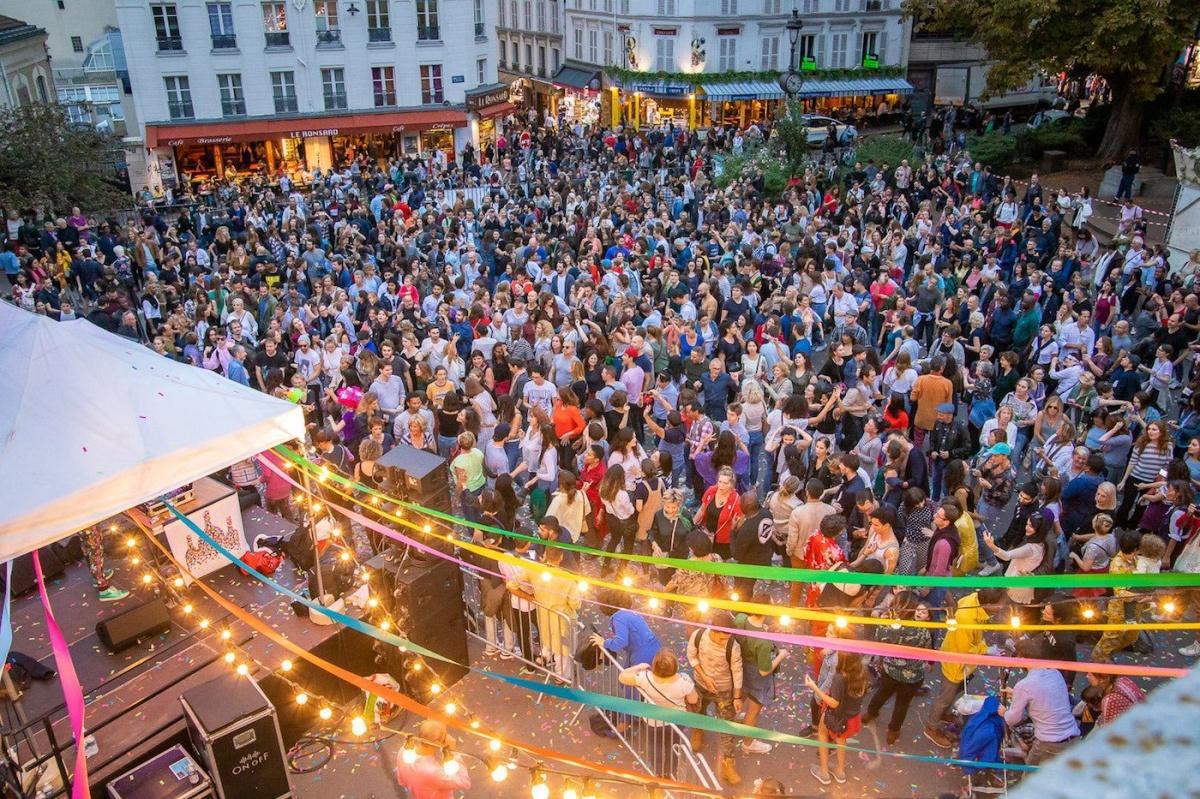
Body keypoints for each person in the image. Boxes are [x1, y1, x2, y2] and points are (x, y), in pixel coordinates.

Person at [863, 591, 932, 747]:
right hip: (913, 675)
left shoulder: (886, 626)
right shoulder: (922, 631)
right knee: (902, 704)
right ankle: (893, 731)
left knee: (882, 693)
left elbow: (879, 641)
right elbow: (927, 647)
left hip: (890, 670)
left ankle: (870, 714)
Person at [618, 649, 699, 777]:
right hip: (676, 721)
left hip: (653, 720)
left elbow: (622, 676)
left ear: (654, 665)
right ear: (675, 666)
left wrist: (638, 667)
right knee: (673, 745)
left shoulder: (646, 678)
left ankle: (658, 771)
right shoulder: (684, 681)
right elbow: (693, 699)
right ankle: (671, 771)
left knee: (655, 745)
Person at [1001, 637, 1081, 765]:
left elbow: (1012, 719)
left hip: (1049, 743)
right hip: (1073, 736)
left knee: (1030, 777)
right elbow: (1046, 696)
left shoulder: (1024, 685)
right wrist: (1018, 694)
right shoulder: (1055, 673)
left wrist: (1004, 712)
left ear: (1022, 658)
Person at [687, 611, 744, 786]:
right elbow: (692, 657)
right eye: (720, 638)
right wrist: (704, 677)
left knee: (727, 727)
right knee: (698, 712)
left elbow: (737, 670)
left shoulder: (732, 646)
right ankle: (698, 731)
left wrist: (737, 696)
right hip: (700, 685)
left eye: (726, 638)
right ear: (712, 630)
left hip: (724, 691)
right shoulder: (698, 636)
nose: (723, 641)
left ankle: (728, 764)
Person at [734, 596, 788, 755]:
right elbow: (764, 670)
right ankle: (748, 743)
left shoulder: (740, 619)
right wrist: (781, 655)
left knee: (740, 695)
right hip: (757, 675)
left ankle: (733, 718)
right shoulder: (763, 641)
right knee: (753, 710)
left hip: (741, 667)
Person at [806, 651, 868, 785]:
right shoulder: (862, 673)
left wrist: (814, 688)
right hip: (852, 718)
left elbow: (834, 703)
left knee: (822, 733)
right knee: (841, 741)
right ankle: (840, 772)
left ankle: (824, 773)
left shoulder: (840, 678)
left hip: (837, 717)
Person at [393, 719, 471, 799]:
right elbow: (464, 782)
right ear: (437, 742)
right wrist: (453, 753)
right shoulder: (434, 771)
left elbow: (402, 779)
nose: (448, 737)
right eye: (445, 734)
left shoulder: (404, 750)